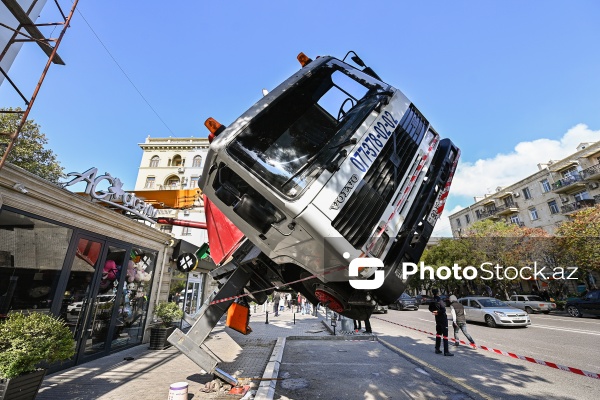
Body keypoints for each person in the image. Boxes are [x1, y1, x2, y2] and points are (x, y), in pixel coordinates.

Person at [428, 289, 453, 356]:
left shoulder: (432, 300)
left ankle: (437, 348)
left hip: (437, 319)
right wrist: (438, 312)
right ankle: (446, 351)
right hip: (442, 318)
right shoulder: (439, 300)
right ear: (438, 293)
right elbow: (443, 309)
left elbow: (429, 308)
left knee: (438, 334)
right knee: (445, 335)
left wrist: (434, 311)